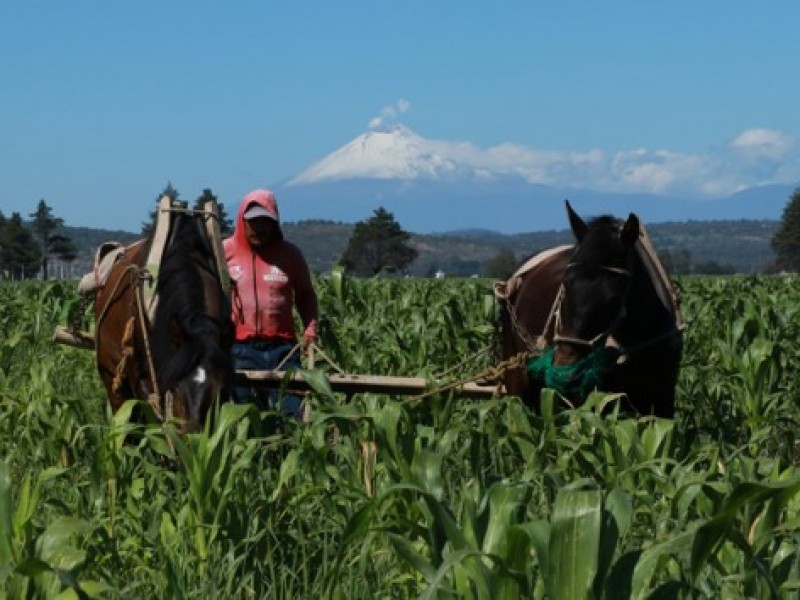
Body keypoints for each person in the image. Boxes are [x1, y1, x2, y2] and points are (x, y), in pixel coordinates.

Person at [224, 189, 318, 418]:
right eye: (253, 222)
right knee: (243, 419)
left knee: (289, 416)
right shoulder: (224, 252)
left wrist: (310, 329)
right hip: (239, 349)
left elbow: (306, 294)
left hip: (283, 350)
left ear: (275, 223)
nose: (259, 228)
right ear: (242, 221)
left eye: (265, 222)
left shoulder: (290, 255)